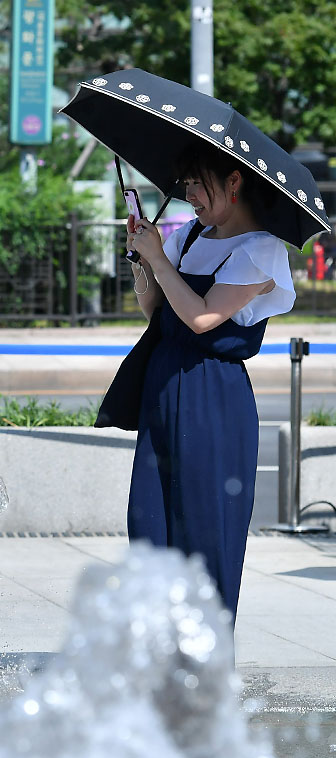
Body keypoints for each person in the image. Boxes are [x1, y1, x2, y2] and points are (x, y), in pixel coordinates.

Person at [124, 144, 295, 621]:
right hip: (164, 384)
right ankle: (157, 662)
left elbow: (202, 319)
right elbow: (158, 312)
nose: (189, 194)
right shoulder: (191, 236)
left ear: (234, 181)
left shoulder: (260, 248)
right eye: (187, 184)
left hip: (212, 396)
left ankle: (207, 668)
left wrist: (159, 262)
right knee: (150, 525)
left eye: (198, 182)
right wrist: (143, 262)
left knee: (204, 531)